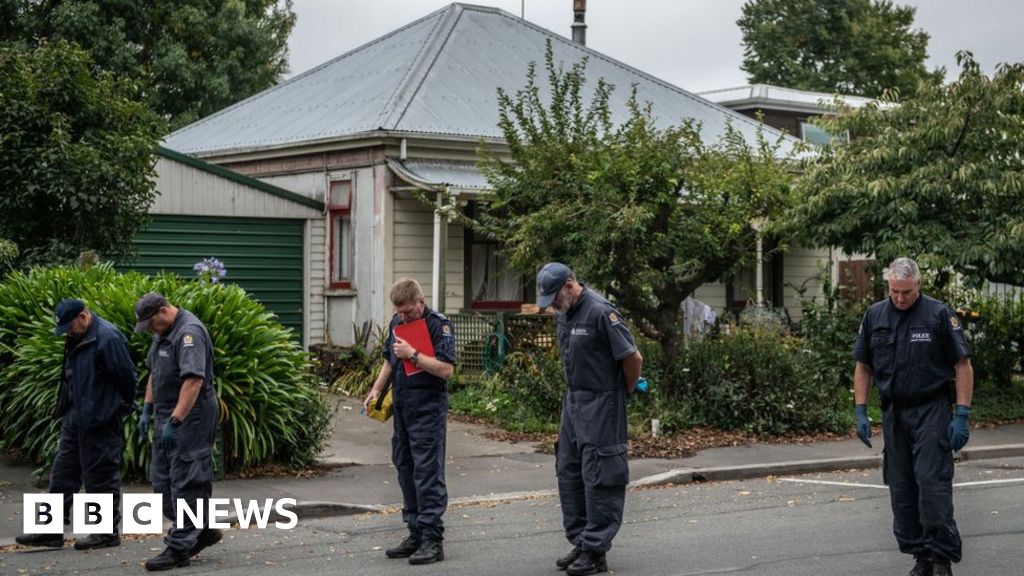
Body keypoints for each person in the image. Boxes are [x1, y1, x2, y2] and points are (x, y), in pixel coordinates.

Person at [852, 257, 973, 576]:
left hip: (931, 409)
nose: (900, 298)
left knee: (932, 484)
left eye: (906, 291)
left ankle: (941, 557)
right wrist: (861, 409)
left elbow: (963, 365)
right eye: (894, 291)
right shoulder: (875, 315)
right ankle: (921, 555)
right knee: (901, 487)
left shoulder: (938, 314)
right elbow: (863, 365)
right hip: (894, 412)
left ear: (918, 285)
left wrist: (962, 414)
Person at [537, 262, 643, 576]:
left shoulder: (601, 312)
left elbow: (632, 358)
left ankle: (596, 550)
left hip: (603, 400)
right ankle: (582, 541)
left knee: (601, 473)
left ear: (570, 285)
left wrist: (621, 392)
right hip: (574, 400)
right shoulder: (565, 313)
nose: (552, 305)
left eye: (554, 297)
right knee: (569, 471)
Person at [15, 299, 137, 550]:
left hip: (101, 418)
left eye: (70, 326)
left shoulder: (108, 338)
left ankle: (105, 533)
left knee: (100, 477)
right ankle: (50, 531)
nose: (67, 332)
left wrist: (115, 410)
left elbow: (127, 379)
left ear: (84, 316)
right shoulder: (78, 337)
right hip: (75, 416)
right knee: (62, 474)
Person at [363, 278, 456, 566]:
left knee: (427, 473)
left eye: (408, 312)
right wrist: (377, 389)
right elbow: (390, 360)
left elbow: (446, 369)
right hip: (402, 407)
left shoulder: (438, 325)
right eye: (399, 312)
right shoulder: (396, 323)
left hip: (428, 409)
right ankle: (414, 531)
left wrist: (414, 355)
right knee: (405, 468)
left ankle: (432, 539)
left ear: (420, 302)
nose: (403, 317)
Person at [134, 292, 222, 571]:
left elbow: (194, 381)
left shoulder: (189, 333)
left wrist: (175, 421)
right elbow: (155, 373)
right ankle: (203, 529)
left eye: (151, 323)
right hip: (165, 415)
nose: (150, 329)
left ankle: (180, 547)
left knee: (187, 481)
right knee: (161, 481)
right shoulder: (163, 333)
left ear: (163, 311)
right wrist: (148, 409)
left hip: (191, 417)